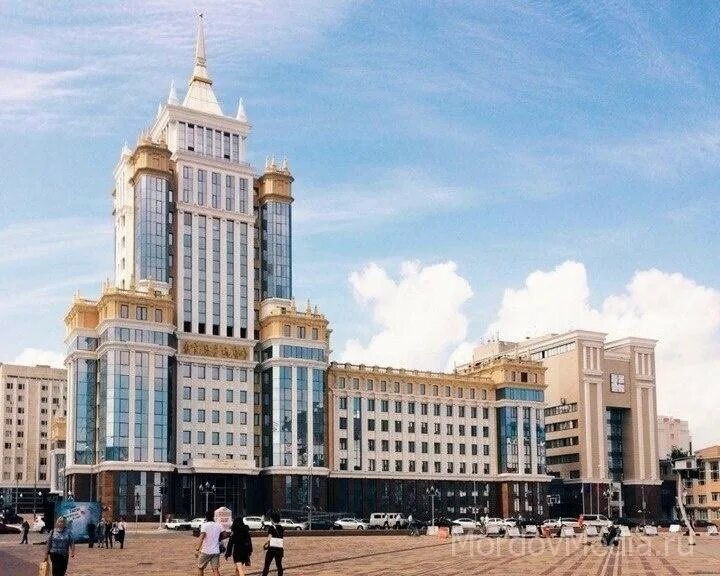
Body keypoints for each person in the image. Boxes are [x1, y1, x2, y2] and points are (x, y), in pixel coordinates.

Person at [195, 510, 223, 576]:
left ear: (206, 517)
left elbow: (201, 538)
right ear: (213, 516)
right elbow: (224, 534)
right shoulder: (218, 525)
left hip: (206, 551)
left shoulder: (204, 525)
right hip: (216, 551)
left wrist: (197, 549)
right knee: (215, 570)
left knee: (200, 568)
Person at [261, 511, 284, 576]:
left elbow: (269, 538)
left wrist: (265, 544)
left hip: (272, 549)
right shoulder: (281, 528)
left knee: (267, 565)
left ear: (272, 519)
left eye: (270, 519)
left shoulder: (271, 527)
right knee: (279, 565)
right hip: (279, 549)